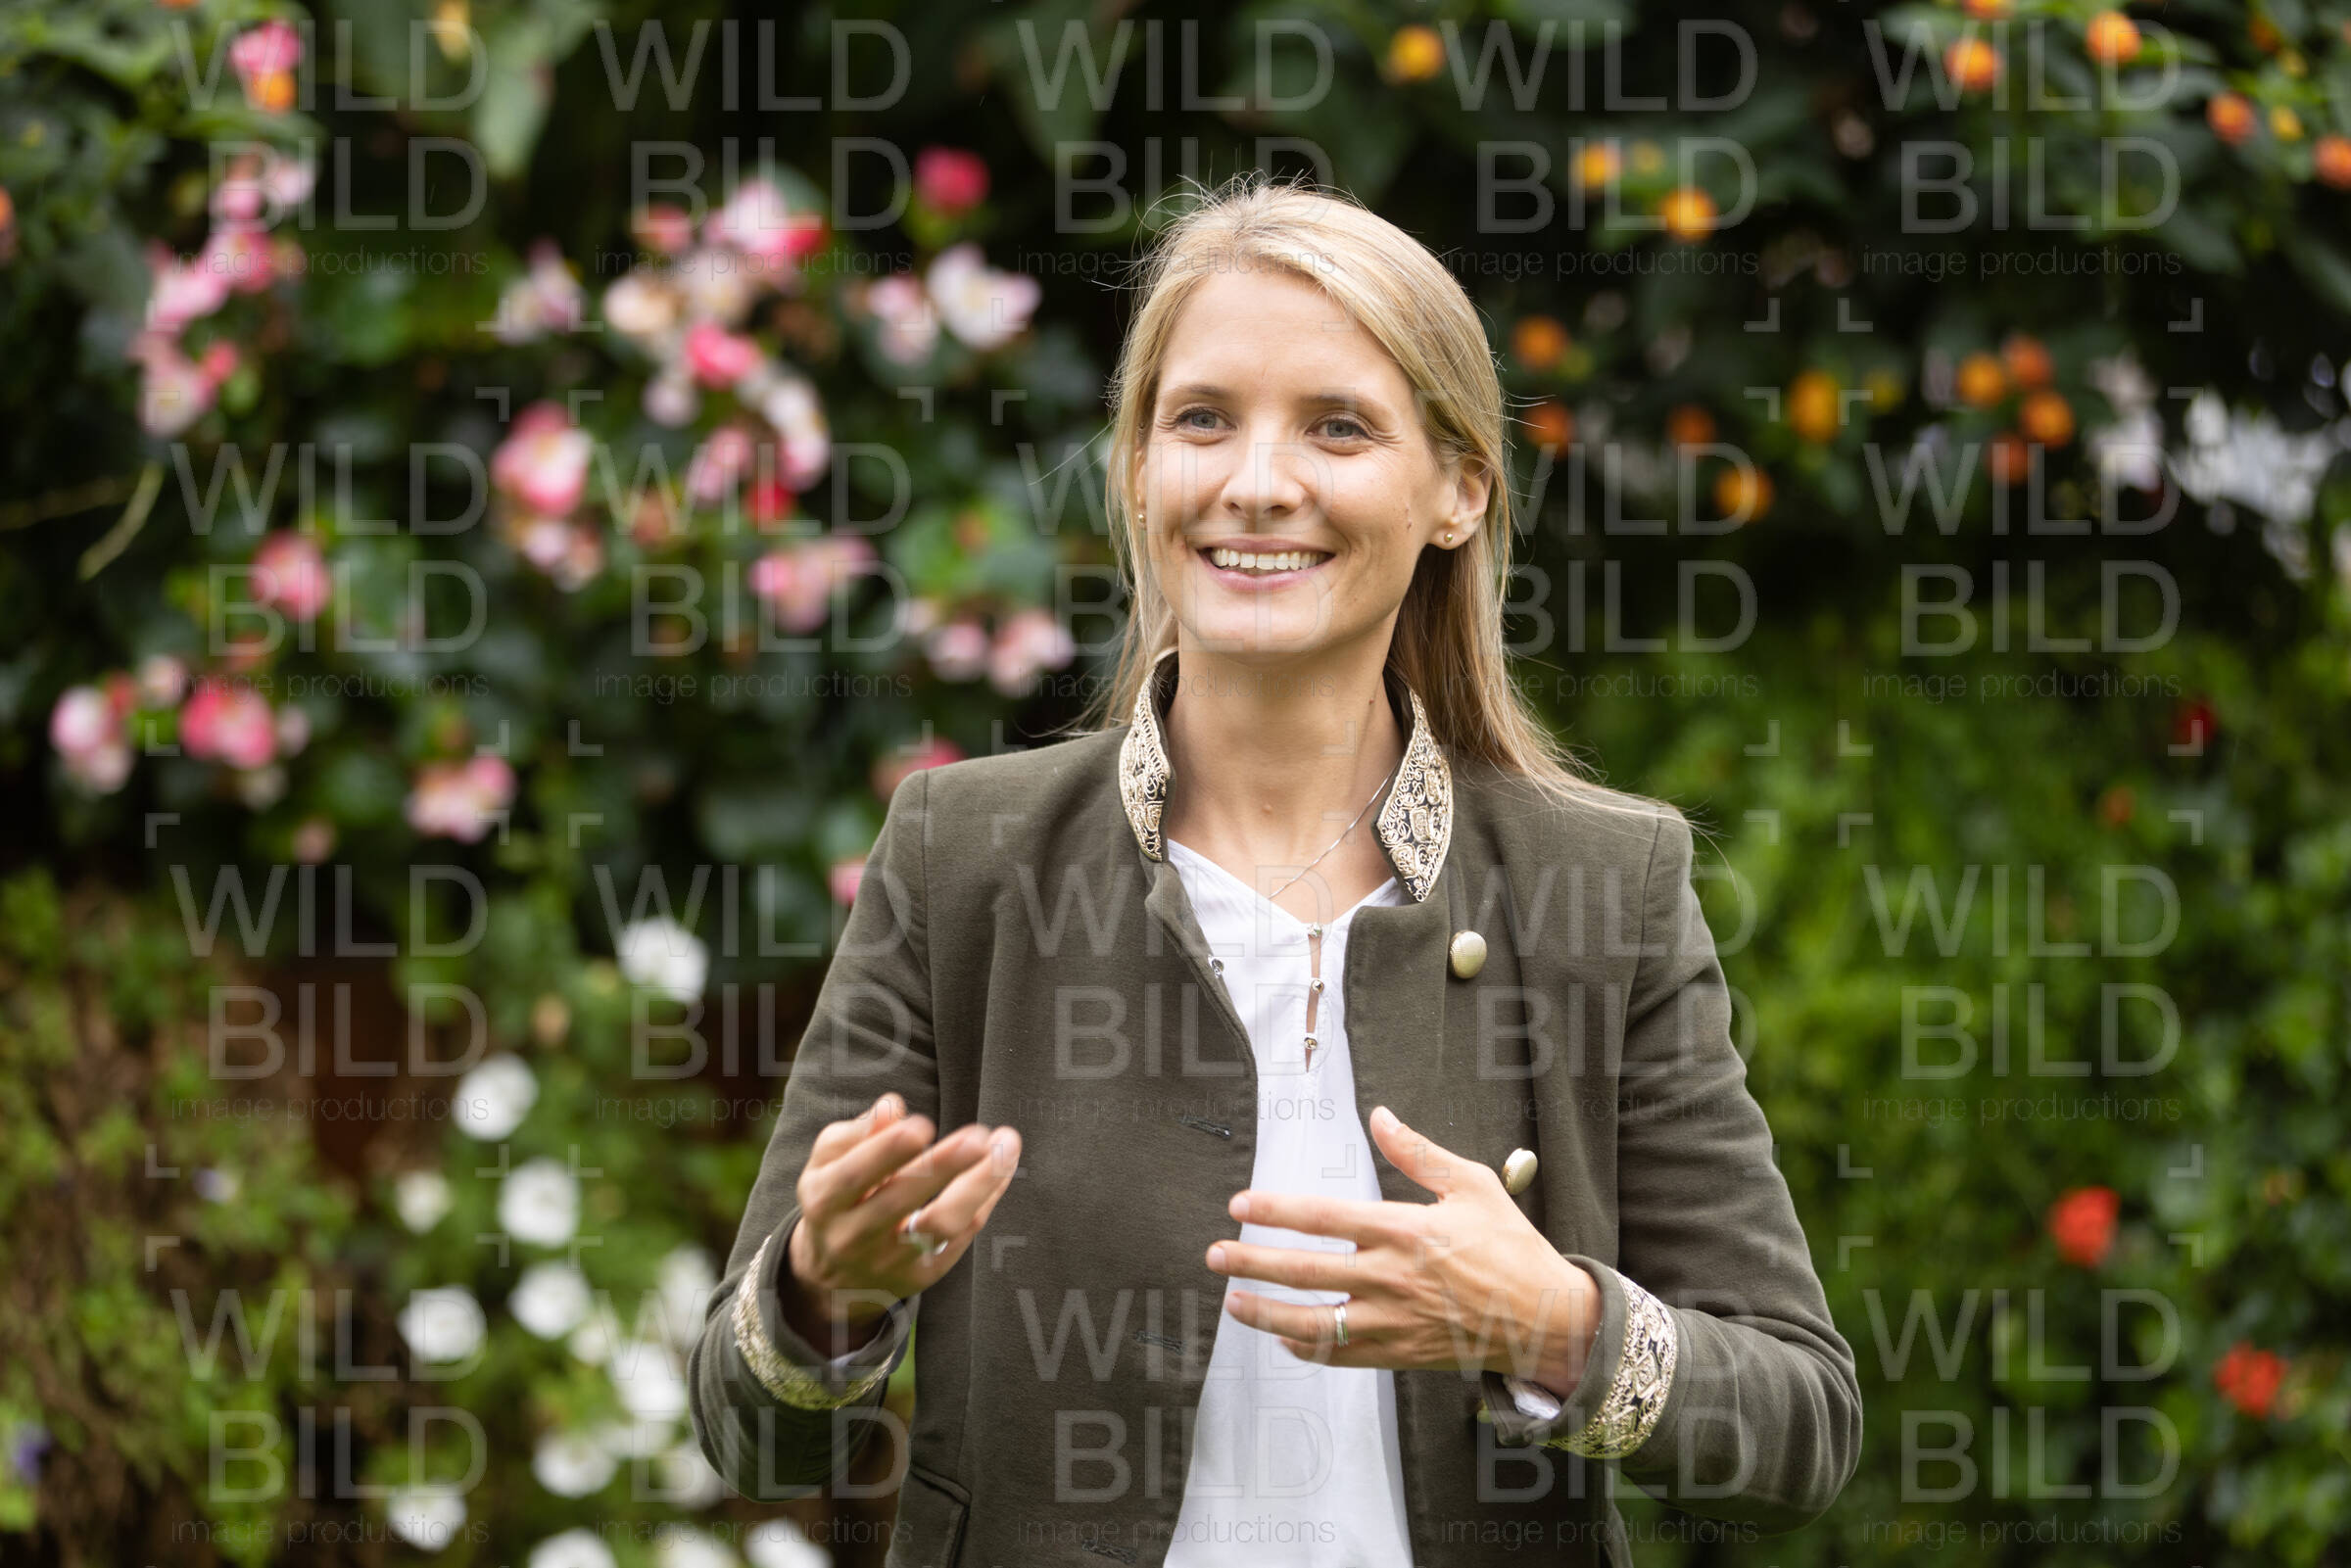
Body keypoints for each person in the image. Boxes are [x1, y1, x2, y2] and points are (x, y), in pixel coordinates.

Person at [690, 172, 1860, 1567]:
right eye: (1202, 419)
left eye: (1338, 426)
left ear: (1458, 490)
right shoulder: (964, 856)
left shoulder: (1606, 885)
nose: (1256, 482)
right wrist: (823, 1288)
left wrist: (1553, 1323)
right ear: (1139, 469)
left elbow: (1800, 1428)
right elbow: (745, 1430)